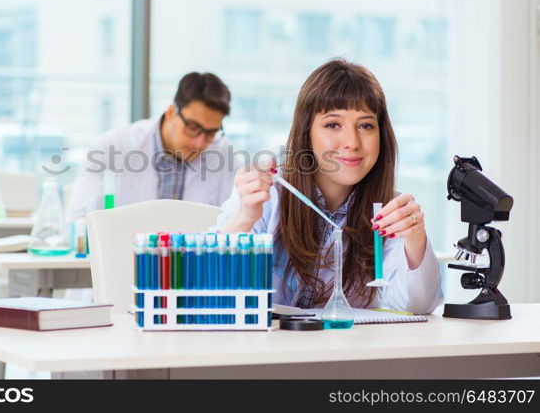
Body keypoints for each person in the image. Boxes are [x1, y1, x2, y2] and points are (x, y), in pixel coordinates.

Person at [216, 59, 443, 314]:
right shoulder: (267, 194)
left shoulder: (389, 211)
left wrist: (415, 237)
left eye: (366, 125)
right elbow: (212, 288)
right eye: (333, 124)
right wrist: (245, 217)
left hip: (346, 353)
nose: (352, 142)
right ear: (307, 131)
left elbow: (419, 306)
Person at [68, 72, 235, 218]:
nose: (199, 142)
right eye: (192, 127)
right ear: (171, 113)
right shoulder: (114, 146)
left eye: (211, 133)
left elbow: (233, 221)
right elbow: (81, 220)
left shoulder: (224, 154)